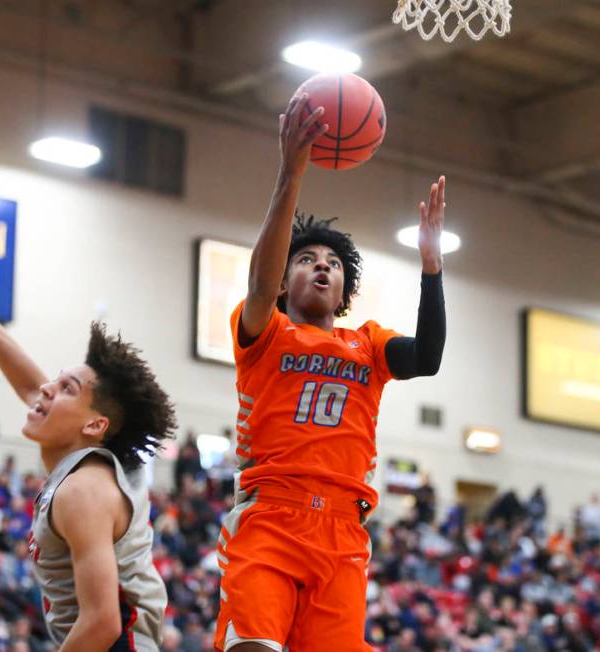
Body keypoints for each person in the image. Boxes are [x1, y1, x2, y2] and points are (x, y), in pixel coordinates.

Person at [214, 93, 447, 652]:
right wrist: (290, 174)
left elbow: (429, 357)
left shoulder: (367, 343)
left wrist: (432, 268)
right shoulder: (263, 331)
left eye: (334, 263)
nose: (322, 265)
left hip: (344, 530)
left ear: (344, 291)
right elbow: (258, 285)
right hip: (271, 515)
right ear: (285, 278)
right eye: (307, 259)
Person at [0, 260, 175, 651]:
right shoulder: (86, 463)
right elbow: (32, 387)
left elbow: (101, 623)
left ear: (95, 425)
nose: (46, 389)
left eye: (66, 388)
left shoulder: (83, 491)